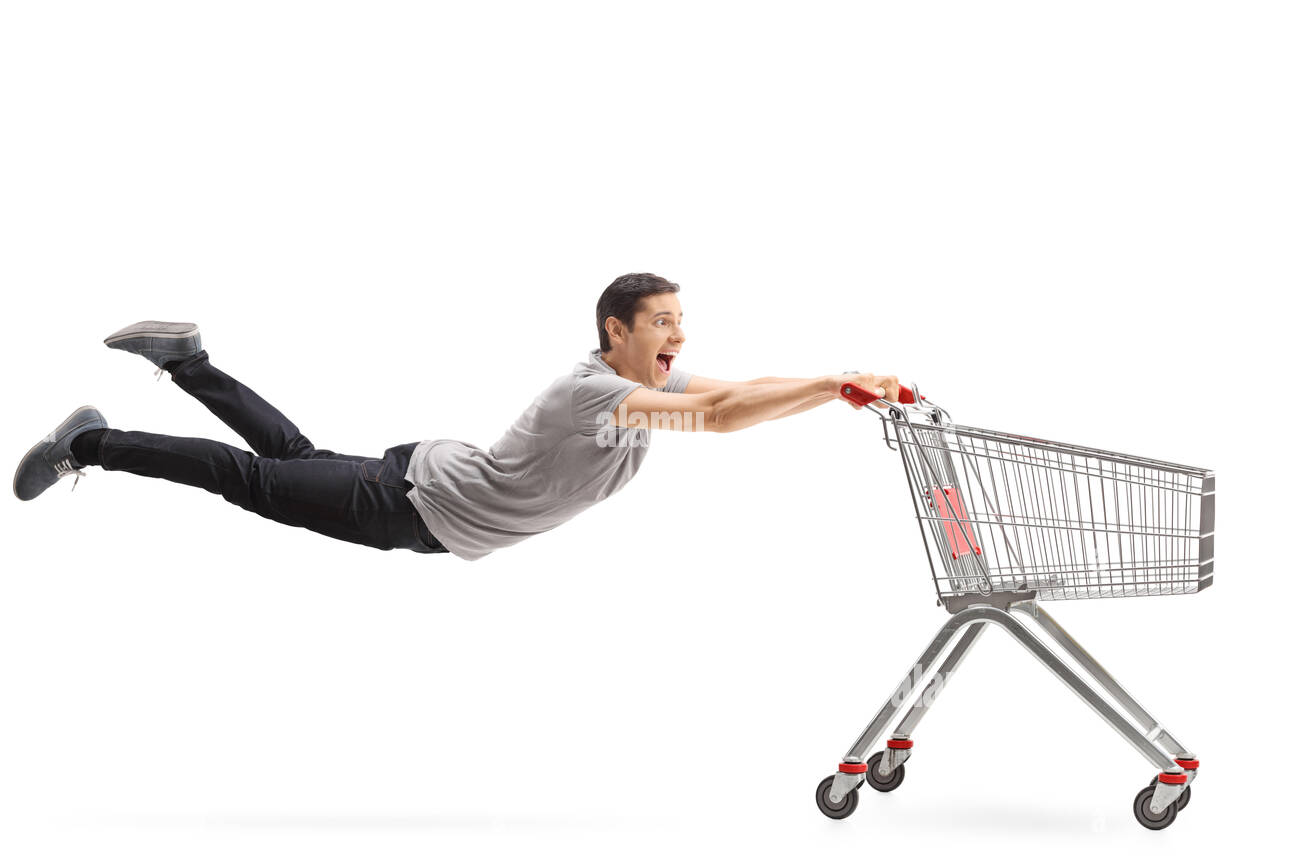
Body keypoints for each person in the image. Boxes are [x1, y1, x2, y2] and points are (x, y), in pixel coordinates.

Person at [13, 273, 901, 558]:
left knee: (292, 457)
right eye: (663, 323)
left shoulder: (642, 395)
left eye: (681, 323)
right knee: (254, 479)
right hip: (410, 503)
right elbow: (724, 418)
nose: (678, 336)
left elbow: (735, 392)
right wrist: (831, 386)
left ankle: (190, 361)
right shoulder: (591, 395)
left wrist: (828, 380)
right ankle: (91, 440)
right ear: (615, 331)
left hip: (420, 488)